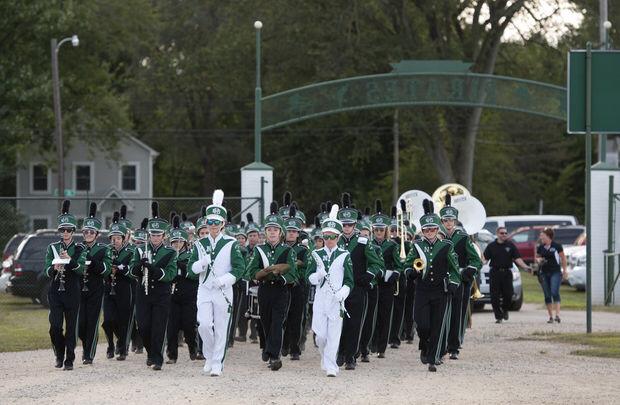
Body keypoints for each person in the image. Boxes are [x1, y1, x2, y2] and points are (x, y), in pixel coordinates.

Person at [187, 190, 246, 376]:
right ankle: (210, 356)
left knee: (221, 328)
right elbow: (190, 270)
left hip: (223, 290)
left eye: (216, 222)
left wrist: (223, 280)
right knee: (204, 324)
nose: (212, 225)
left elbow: (239, 269)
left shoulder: (231, 243)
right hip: (204, 289)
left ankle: (217, 363)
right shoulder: (199, 244)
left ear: (223, 224)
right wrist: (201, 264)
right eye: (209, 222)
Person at [404, 199, 460, 372]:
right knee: (423, 325)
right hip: (422, 290)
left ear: (438, 229)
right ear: (422, 230)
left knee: (437, 325)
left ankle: (433, 359)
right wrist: (411, 272)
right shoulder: (417, 246)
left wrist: (453, 283)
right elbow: (406, 265)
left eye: (433, 229)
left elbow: (454, 268)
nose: (430, 232)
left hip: (440, 291)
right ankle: (424, 343)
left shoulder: (446, 246)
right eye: (427, 230)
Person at [245, 202, 298, 371]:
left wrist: (282, 278)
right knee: (266, 322)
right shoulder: (259, 250)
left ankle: (274, 356)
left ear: (280, 232)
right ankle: (269, 348)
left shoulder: (288, 251)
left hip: (281, 291)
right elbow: (250, 271)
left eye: (275, 230)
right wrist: (260, 275)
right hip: (265, 290)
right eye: (269, 230)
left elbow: (293, 274)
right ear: (265, 232)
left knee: (277, 322)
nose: (272, 232)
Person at [336, 194, 383, 370]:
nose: (347, 228)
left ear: (355, 225)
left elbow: (376, 263)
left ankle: (351, 357)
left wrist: (368, 276)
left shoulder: (363, 242)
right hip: (338, 289)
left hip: (357, 288)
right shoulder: (335, 242)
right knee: (338, 322)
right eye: (344, 225)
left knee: (355, 323)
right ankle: (340, 352)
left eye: (349, 225)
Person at [129, 202, 178, 371]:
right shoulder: (140, 250)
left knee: (158, 326)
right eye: (152, 234)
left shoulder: (170, 252)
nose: (155, 237)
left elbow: (171, 274)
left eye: (158, 235)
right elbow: (131, 271)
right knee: (143, 326)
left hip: (161, 294)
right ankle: (151, 352)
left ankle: (157, 359)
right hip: (143, 292)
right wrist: (139, 266)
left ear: (164, 235)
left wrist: (153, 269)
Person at [307, 204, 354, 377]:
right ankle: (325, 358)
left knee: (334, 335)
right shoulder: (316, 254)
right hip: (321, 299)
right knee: (320, 337)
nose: (329, 239)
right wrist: (318, 275)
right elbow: (308, 277)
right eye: (326, 236)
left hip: (336, 300)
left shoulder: (344, 255)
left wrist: (343, 293)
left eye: (332, 236)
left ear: (339, 236)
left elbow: (350, 280)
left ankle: (331, 365)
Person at [45, 200, 85, 370]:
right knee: (54, 327)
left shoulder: (79, 248)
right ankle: (59, 354)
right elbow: (46, 269)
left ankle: (69, 358)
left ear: (73, 231)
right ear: (59, 231)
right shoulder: (52, 247)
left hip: (72, 291)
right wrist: (54, 267)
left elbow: (81, 269)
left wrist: (69, 260)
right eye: (63, 230)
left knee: (70, 328)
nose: (66, 232)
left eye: (69, 230)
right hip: (55, 291)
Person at [440, 195, 482, 360]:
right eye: (445, 220)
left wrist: (466, 272)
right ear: (442, 221)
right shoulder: (438, 238)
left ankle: (454, 347)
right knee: (442, 313)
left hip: (461, 282)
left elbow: (475, 260)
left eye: (451, 220)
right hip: (443, 281)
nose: (449, 223)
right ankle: (441, 344)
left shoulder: (463, 238)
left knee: (458, 314)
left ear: (455, 221)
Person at [78, 202, 112, 365]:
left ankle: (88, 354)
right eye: (86, 231)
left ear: (97, 234)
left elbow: (106, 270)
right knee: (80, 324)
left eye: (92, 232)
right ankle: (85, 346)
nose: (88, 234)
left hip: (95, 290)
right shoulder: (77, 248)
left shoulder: (104, 249)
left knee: (92, 321)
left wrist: (91, 261)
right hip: (78, 291)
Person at [166, 215, 199, 364]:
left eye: (180, 242)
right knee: (172, 327)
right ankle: (172, 355)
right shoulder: (168, 256)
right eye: (174, 242)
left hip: (189, 295)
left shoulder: (191, 255)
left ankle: (193, 348)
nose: (177, 245)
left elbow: (193, 273)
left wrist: (179, 265)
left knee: (188, 325)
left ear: (185, 243)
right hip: (172, 296)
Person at [370, 200, 401, 359]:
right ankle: (371, 344)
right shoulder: (368, 244)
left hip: (387, 285)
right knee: (371, 315)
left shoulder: (392, 245)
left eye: (382, 229)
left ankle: (381, 347)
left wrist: (394, 273)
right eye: (376, 229)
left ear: (386, 230)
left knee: (384, 315)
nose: (379, 232)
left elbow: (398, 265)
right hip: (372, 284)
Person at [102, 212, 134, 361]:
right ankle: (110, 344)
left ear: (123, 239)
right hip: (108, 288)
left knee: (123, 320)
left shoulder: (130, 252)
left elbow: (133, 272)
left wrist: (121, 268)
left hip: (124, 289)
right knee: (108, 320)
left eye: (118, 238)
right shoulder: (106, 251)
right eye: (113, 238)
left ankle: (122, 347)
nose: (115, 241)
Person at [483, 226, 531, 323]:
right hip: (495, 273)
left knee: (508, 295)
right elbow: (485, 260)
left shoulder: (510, 246)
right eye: (502, 233)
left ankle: (505, 310)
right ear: (497, 234)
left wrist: (525, 267)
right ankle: (498, 316)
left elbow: (518, 259)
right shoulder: (491, 246)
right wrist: (477, 264)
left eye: (505, 233)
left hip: (507, 273)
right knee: (494, 297)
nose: (504, 235)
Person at [281, 204, 309, 361]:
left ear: (298, 233)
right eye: (289, 231)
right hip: (282, 285)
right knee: (282, 316)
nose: (291, 234)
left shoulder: (303, 250)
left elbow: (307, 268)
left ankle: (295, 348)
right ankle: (284, 344)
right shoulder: (280, 248)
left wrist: (296, 276)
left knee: (297, 317)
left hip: (298, 286)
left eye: (294, 231)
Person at [535, 227, 568, 323]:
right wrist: (539, 260)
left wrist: (565, 270)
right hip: (544, 273)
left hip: (555, 272)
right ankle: (551, 317)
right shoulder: (540, 247)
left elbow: (563, 258)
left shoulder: (557, 246)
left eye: (543, 236)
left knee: (554, 291)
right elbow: (537, 257)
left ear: (548, 236)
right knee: (547, 294)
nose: (541, 237)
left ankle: (557, 315)